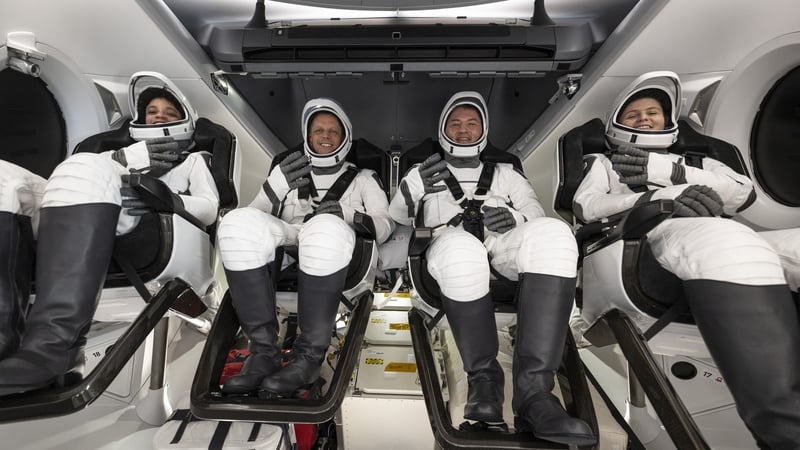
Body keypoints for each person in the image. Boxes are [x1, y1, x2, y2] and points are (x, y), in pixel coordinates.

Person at [573, 71, 800, 448]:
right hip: (647, 236)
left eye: (653, 113)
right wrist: (658, 199)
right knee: (727, 241)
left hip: (718, 228)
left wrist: (669, 172)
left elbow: (740, 194)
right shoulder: (605, 162)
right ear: (617, 124)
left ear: (668, 120)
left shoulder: (699, 161)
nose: (644, 119)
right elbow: (588, 206)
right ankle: (783, 433)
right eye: (633, 115)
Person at [389, 91, 596, 446]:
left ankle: (535, 396)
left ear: (483, 130)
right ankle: (484, 381)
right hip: (447, 247)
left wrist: (514, 217)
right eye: (455, 123)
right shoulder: (420, 173)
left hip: (502, 247)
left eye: (472, 123)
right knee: (463, 248)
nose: (464, 130)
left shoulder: (507, 173)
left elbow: (535, 213)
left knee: (555, 232)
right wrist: (415, 186)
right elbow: (398, 217)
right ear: (443, 130)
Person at [0, 71, 219, 395]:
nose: (159, 116)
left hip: (143, 223)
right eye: (152, 111)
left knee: (83, 166)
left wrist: (165, 197)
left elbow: (210, 207)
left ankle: (54, 352)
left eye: (169, 112)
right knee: (4, 177)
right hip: (80, 215)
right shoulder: (114, 157)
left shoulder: (193, 161)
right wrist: (123, 159)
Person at [216, 97, 393, 397]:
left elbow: (386, 226)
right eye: (318, 131)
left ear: (345, 138)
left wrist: (348, 214)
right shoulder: (287, 175)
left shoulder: (364, 179)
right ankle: (263, 353)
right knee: (235, 223)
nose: (325, 136)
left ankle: (309, 359)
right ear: (308, 138)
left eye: (333, 131)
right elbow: (253, 219)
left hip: (340, 249)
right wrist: (274, 186)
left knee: (323, 228)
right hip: (291, 241)